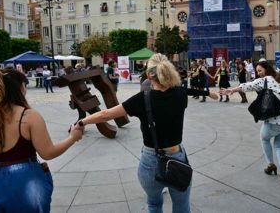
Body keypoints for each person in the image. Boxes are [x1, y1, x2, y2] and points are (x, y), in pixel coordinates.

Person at [72, 54, 217, 212]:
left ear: (149, 75)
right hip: (177, 157)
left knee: (154, 204)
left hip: (150, 161)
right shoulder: (179, 94)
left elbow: (105, 115)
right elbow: (186, 90)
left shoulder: (142, 99)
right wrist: (208, 93)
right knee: (182, 206)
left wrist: (81, 122)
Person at [0, 68, 83, 212]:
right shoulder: (28, 116)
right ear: (20, 87)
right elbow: (48, 153)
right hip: (24, 182)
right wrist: (72, 138)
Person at [221, 61, 280, 187]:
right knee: (279, 145)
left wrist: (232, 90)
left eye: (260, 70)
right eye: (257, 71)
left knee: (264, 139)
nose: (258, 73)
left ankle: (270, 165)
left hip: (276, 118)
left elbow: (248, 85)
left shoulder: (266, 79)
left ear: (266, 70)